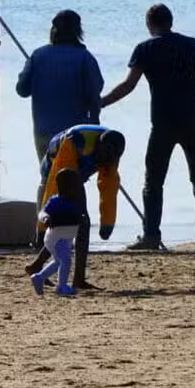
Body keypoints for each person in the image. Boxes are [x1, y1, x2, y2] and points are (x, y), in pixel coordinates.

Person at [100, 3, 195, 251]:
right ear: (170, 21)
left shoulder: (145, 49)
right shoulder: (193, 45)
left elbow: (128, 85)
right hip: (193, 120)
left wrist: (101, 103)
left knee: (153, 182)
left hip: (163, 123)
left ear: (149, 24)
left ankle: (151, 236)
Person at [24, 123, 124, 290]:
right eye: (103, 155)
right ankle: (76, 279)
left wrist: (107, 224)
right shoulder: (77, 141)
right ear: (98, 145)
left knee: (74, 224)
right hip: (57, 167)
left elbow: (109, 187)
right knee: (80, 222)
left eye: (110, 158)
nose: (104, 160)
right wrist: (43, 223)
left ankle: (38, 266)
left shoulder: (113, 153)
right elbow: (55, 183)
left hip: (78, 174)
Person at [14, 9, 103, 170]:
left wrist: (31, 72)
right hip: (76, 133)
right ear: (78, 31)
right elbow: (95, 94)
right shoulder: (85, 58)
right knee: (72, 177)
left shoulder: (38, 55)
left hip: (43, 130)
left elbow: (22, 90)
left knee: (47, 176)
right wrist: (95, 128)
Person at [30, 167, 88, 297]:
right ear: (65, 188)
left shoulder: (75, 202)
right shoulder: (56, 201)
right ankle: (61, 287)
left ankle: (39, 278)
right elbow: (42, 213)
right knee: (66, 261)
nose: (77, 190)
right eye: (75, 187)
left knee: (58, 262)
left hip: (65, 239)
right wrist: (46, 218)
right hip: (56, 239)